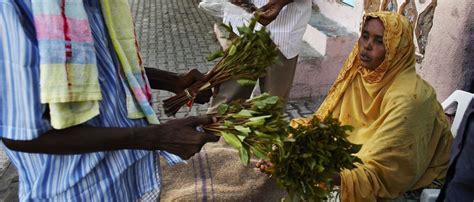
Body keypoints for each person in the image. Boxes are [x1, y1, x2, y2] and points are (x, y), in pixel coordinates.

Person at [0, 0, 217, 201]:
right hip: (78, 192)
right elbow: (19, 135)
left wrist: (172, 81)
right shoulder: (11, 8)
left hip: (132, 181)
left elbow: (95, 68)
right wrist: (156, 136)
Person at [258, 12, 453, 201]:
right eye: (365, 36)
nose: (367, 46)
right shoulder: (360, 75)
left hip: (417, 182)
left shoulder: (412, 98)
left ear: (397, 50)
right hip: (353, 156)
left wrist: (312, 171)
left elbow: (383, 174)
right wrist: (289, 151)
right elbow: (325, 125)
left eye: (379, 41)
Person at [207, 0, 312, 113]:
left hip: (285, 30)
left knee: (272, 108)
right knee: (225, 105)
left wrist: (281, 2)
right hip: (240, 23)